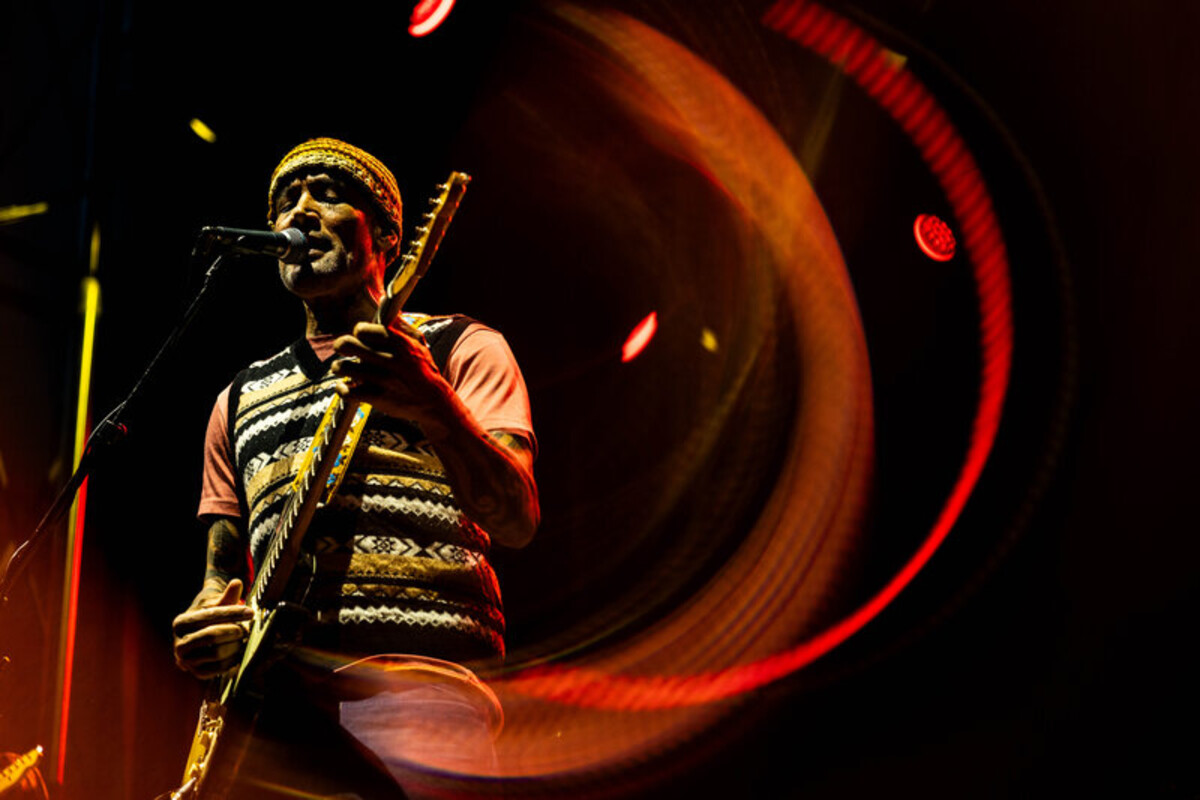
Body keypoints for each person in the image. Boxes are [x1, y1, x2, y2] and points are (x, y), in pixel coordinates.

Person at [170, 138, 539, 799]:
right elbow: (218, 582)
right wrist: (205, 629)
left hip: (417, 696)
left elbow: (516, 517)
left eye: (328, 194)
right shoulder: (238, 400)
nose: (301, 210)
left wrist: (432, 402)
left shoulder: (459, 346)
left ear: (389, 237)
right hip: (272, 728)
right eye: (287, 199)